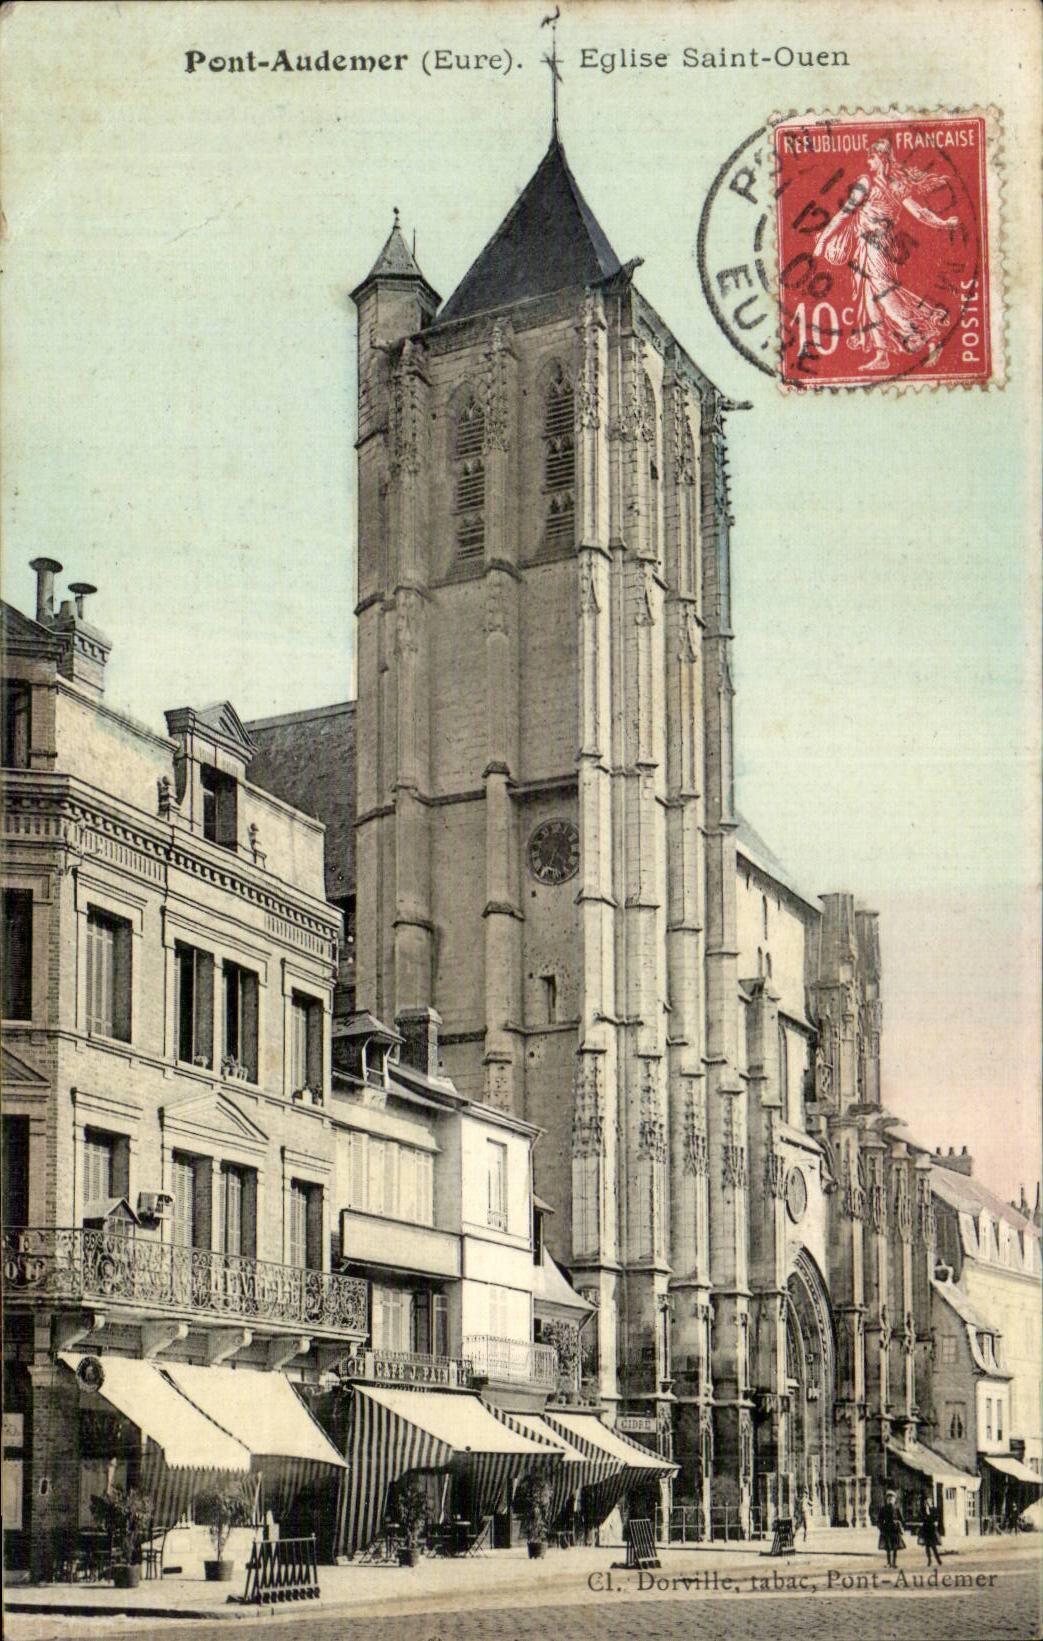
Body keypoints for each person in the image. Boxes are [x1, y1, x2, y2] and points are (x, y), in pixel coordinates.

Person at [812, 137, 961, 372]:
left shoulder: (888, 185)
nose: (868, 162)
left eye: (871, 157)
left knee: (884, 294)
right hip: (866, 246)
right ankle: (882, 354)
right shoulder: (872, 183)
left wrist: (943, 223)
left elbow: (919, 213)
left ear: (881, 158)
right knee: (870, 298)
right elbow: (846, 212)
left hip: (878, 247)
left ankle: (925, 332)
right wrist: (823, 238)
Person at [877, 1489, 906, 1569]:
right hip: (887, 1529)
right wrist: (881, 1527)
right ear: (886, 1500)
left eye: (892, 1499)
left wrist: (901, 1526)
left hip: (895, 1530)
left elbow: (902, 1519)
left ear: (894, 1500)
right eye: (888, 1499)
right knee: (888, 1547)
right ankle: (888, 1562)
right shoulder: (883, 1509)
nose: (890, 1500)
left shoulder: (897, 1509)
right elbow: (879, 1519)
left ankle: (894, 1562)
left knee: (895, 1547)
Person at [919, 1497, 944, 1568]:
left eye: (928, 1502)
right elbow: (922, 1518)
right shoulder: (924, 1510)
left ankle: (938, 1560)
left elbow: (936, 1518)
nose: (927, 1504)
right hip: (926, 1529)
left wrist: (933, 1520)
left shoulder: (934, 1509)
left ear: (931, 1502)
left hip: (932, 1530)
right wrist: (926, 1513)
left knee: (933, 1546)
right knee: (927, 1546)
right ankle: (929, 1560)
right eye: (926, 1503)